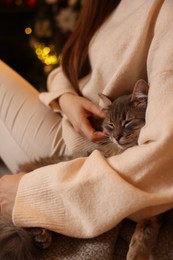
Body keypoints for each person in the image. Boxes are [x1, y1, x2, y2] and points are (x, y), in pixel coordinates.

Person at [0, 0, 173, 240]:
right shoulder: (104, 6)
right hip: (66, 121)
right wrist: (65, 98)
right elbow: (62, 69)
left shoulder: (166, 12)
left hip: (83, 151)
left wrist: (32, 192)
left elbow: (161, 161)